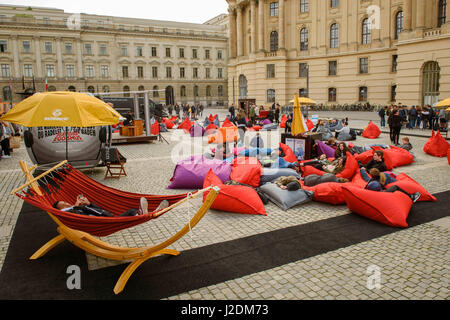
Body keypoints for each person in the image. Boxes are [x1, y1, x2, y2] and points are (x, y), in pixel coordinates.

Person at [52, 195, 169, 217]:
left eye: (65, 202)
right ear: (60, 209)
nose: (67, 203)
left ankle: (149, 213)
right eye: (63, 204)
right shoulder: (68, 213)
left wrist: (89, 203)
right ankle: (145, 214)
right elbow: (81, 216)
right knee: (131, 212)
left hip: (107, 216)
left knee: (131, 211)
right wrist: (77, 206)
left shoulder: (75, 208)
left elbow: (95, 209)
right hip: (103, 221)